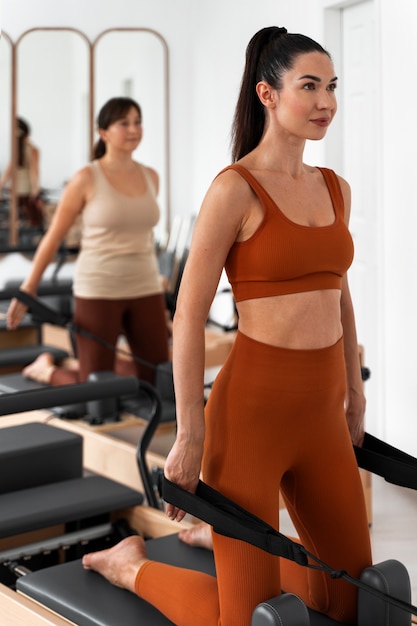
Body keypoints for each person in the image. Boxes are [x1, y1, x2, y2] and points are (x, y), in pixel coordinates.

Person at [82, 27, 372, 625]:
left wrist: (355, 396)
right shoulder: (234, 189)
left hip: (322, 410)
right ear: (268, 94)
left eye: (332, 87)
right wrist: (189, 434)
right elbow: (187, 314)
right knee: (248, 618)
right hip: (249, 419)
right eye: (309, 86)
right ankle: (127, 564)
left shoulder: (335, 190)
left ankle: (215, 544)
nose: (326, 102)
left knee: (352, 597)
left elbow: (339, 297)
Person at [7, 97, 169, 386]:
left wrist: (161, 279)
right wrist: (28, 289)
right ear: (103, 132)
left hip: (144, 285)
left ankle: (99, 367)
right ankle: (46, 370)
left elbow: (144, 235)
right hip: (99, 287)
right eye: (124, 123)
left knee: (158, 378)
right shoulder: (87, 178)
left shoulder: (151, 177)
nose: (133, 129)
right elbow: (53, 236)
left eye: (137, 122)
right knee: (96, 388)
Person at [0, 117, 43, 227]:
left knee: (16, 222)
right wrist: (36, 191)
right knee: (35, 222)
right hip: (27, 191)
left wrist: (0, 188)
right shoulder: (33, 149)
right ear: (28, 132)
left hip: (14, 191)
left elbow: (6, 173)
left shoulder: (15, 150)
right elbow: (34, 172)